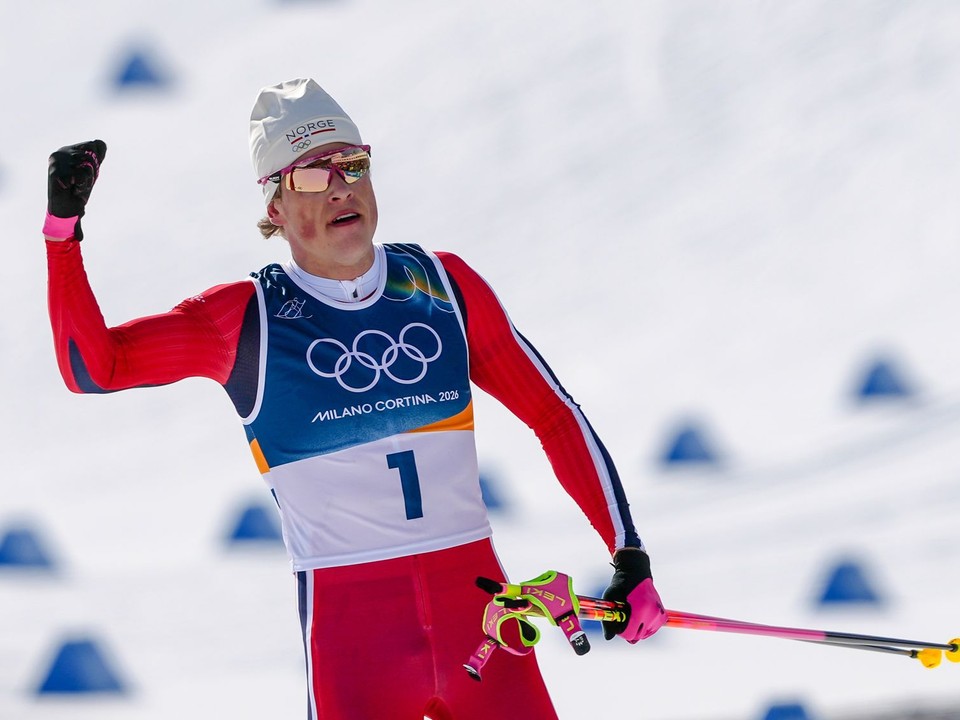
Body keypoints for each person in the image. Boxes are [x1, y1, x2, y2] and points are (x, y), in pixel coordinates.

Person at [43, 78, 666, 720]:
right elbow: (94, 368)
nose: (341, 185)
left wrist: (628, 553)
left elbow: (554, 416)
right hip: (355, 643)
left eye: (354, 165)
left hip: (481, 622)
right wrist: (62, 237)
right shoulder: (245, 322)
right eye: (312, 175)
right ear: (275, 208)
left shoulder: (441, 284)